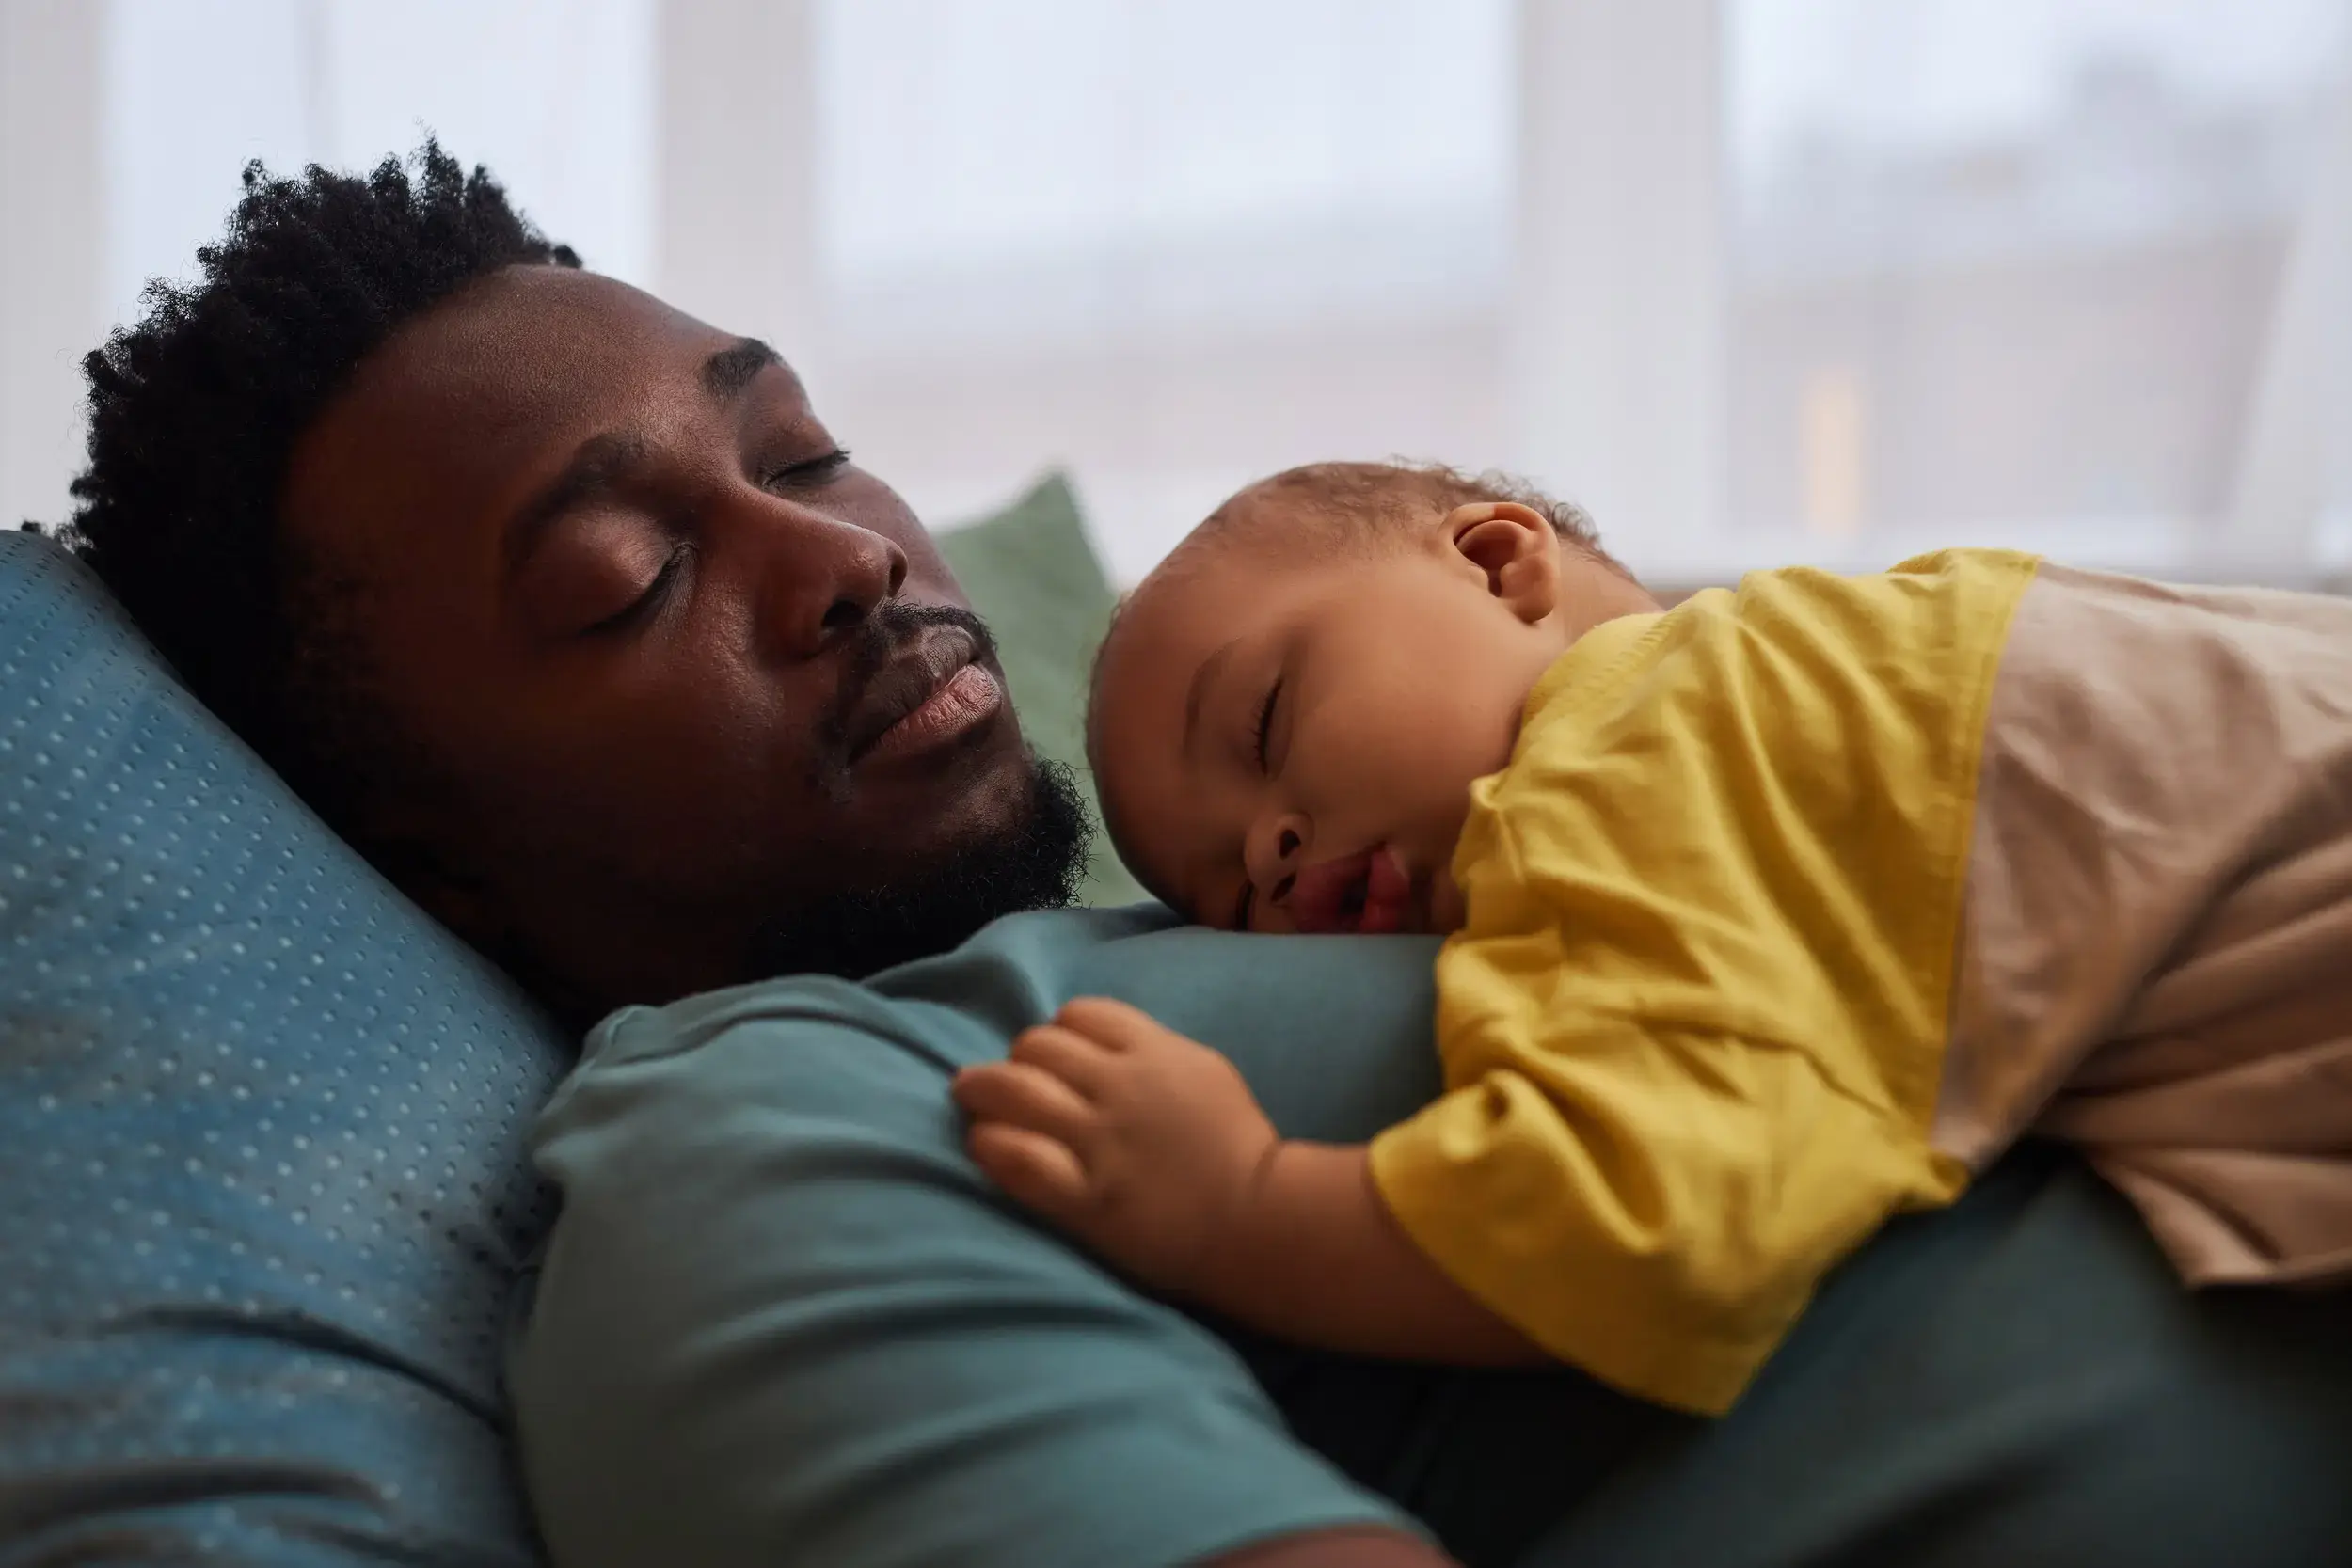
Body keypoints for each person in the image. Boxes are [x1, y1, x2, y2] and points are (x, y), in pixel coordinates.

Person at [56, 146, 2352, 1568]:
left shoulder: (1463, 785)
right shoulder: (756, 1148)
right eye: (624, 583)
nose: (840, 557)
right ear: (428, 863)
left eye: (808, 447)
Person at [956, 459, 2352, 1417]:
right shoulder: (1830, 681)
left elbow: (1648, 1223)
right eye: (1216, 899)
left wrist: (1242, 1203)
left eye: (1263, 724)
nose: (1264, 853)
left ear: (1500, 564)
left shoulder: (1638, 744)